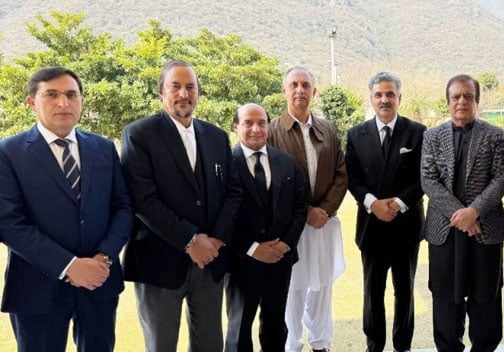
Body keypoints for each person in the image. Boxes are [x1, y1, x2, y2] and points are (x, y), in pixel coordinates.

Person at [0, 67, 133, 352]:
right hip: (37, 288)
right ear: (32, 102)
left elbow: (123, 208)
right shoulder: (8, 152)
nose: (64, 103)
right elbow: (8, 223)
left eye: (71, 94)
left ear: (81, 100)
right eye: (52, 95)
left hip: (100, 282)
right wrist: (69, 266)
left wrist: (103, 258)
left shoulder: (103, 148)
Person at [120, 59, 242, 352]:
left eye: (191, 87)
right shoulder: (139, 134)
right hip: (159, 263)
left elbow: (233, 191)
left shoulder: (216, 136)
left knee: (210, 344)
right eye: (175, 86)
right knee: (161, 345)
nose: (184, 93)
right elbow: (143, 200)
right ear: (161, 92)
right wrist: (190, 240)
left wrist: (214, 240)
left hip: (210, 261)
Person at [420, 74, 504, 352]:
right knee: (446, 300)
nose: (462, 101)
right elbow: (428, 180)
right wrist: (461, 214)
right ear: (447, 102)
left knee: (486, 299)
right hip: (444, 232)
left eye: (468, 96)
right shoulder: (432, 136)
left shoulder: (494, 135)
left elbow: (502, 178)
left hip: (484, 231)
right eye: (456, 97)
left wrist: (475, 212)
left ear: (477, 100)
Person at [267, 66, 347, 352]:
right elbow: (271, 181)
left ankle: (321, 343)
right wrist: (305, 212)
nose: (300, 90)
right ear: (284, 90)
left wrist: (323, 210)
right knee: (292, 287)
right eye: (294, 84)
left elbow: (341, 173)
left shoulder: (327, 129)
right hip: (291, 227)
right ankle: (292, 344)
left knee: (322, 287)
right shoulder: (272, 130)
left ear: (314, 91)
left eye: (306, 85)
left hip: (323, 224)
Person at [345, 71, 426, 352]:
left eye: (390, 94)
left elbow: (423, 177)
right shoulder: (356, 134)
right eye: (379, 94)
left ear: (399, 97)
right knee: (373, 291)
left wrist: (398, 204)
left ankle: (402, 345)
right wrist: (372, 204)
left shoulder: (417, 132)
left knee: (405, 290)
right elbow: (352, 178)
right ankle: (374, 344)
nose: (384, 99)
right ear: (371, 98)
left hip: (406, 226)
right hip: (371, 226)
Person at [226, 103, 308, 352]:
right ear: (236, 127)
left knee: (275, 322)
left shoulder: (287, 162)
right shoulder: (225, 163)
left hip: (279, 260)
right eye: (248, 123)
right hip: (241, 261)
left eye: (261, 123)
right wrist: (252, 248)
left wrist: (285, 244)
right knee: (240, 326)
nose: (255, 129)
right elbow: (221, 215)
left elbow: (300, 206)